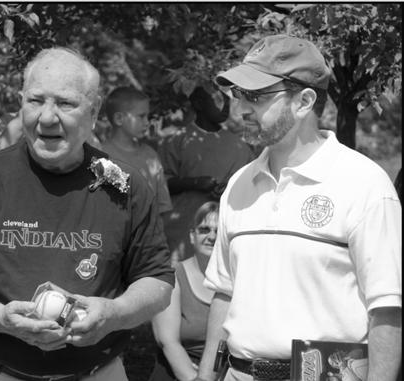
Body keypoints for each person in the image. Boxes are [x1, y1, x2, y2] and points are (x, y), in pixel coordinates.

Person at [0, 46, 174, 381]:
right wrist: (1, 318)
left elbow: (157, 282)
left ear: (94, 110)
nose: (46, 117)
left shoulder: (125, 186)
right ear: (20, 102)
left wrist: (113, 313)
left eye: (65, 102)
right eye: (36, 100)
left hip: (98, 373)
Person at [196, 34, 401, 381]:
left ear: (305, 101)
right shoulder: (240, 184)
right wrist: (205, 376)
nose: (241, 108)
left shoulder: (365, 184)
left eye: (257, 96)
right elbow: (225, 292)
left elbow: (387, 310)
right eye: (238, 95)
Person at [158, 84, 254, 264]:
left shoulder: (240, 146)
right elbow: (161, 184)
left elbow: (252, 186)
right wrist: (194, 183)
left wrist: (229, 189)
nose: (225, 105)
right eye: (218, 99)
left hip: (224, 233)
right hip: (183, 234)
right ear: (198, 103)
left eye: (227, 100)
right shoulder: (177, 141)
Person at [150, 201, 219, 381]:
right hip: (178, 371)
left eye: (218, 232)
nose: (211, 236)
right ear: (191, 236)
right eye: (204, 229)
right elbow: (167, 341)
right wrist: (195, 378)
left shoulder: (238, 280)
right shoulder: (172, 277)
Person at [101, 86, 172, 217]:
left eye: (148, 116)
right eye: (141, 116)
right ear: (119, 119)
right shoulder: (102, 158)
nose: (147, 122)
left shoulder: (151, 156)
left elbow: (163, 206)